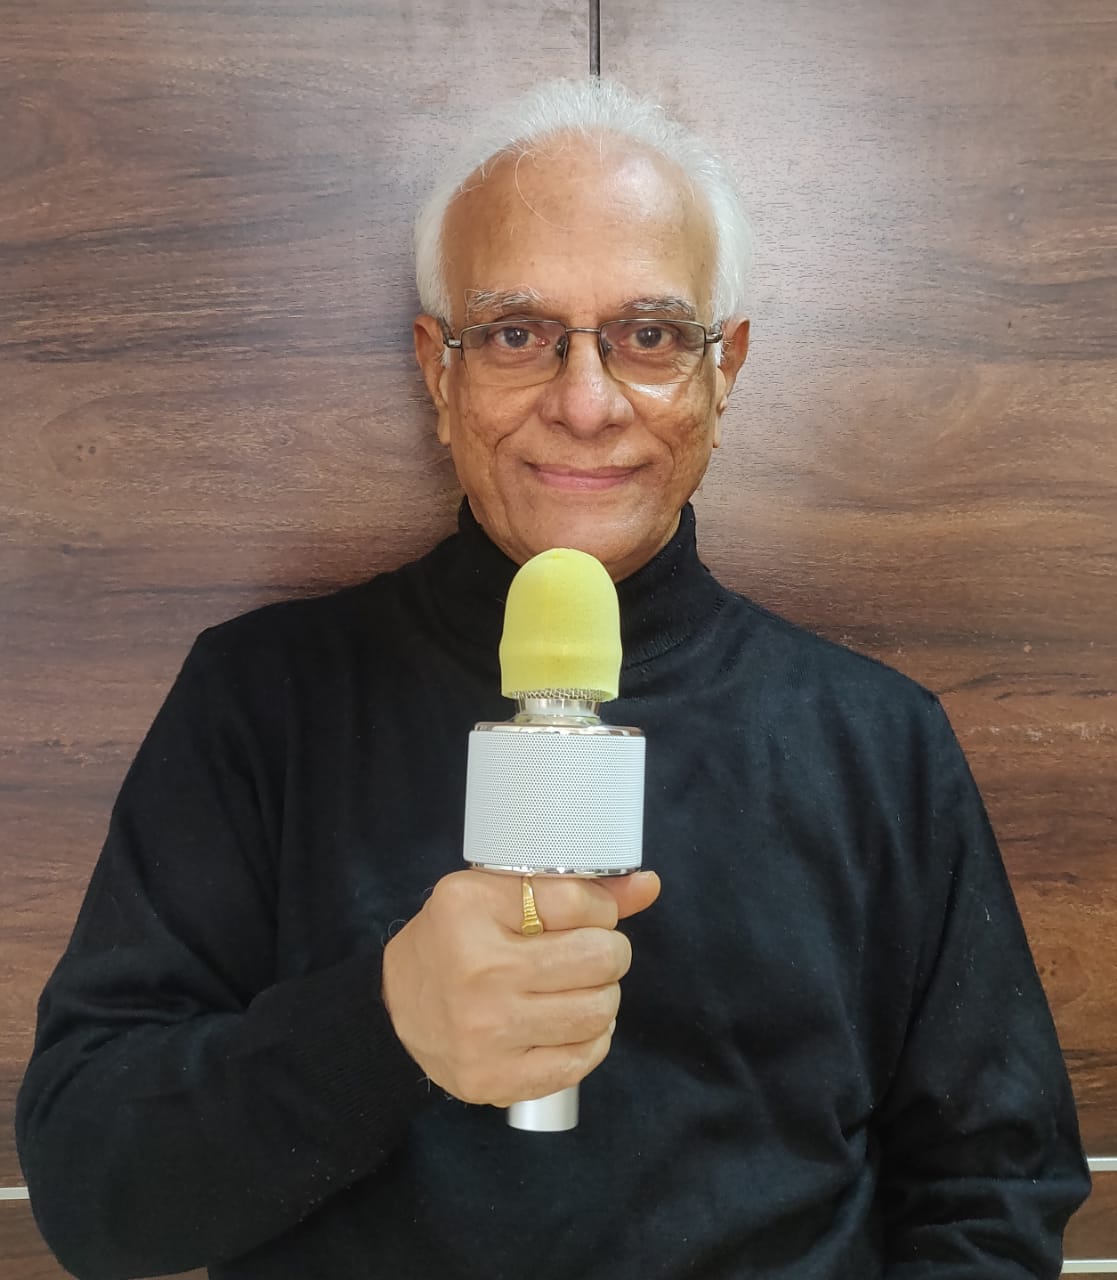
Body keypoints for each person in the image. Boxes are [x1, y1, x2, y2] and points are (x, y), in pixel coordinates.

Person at [16, 78, 1089, 1280]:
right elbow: (91, 1189)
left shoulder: (877, 742)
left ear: (724, 370)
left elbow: (992, 1190)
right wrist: (386, 1024)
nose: (585, 404)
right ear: (438, 371)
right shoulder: (261, 699)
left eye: (651, 335)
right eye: (517, 333)